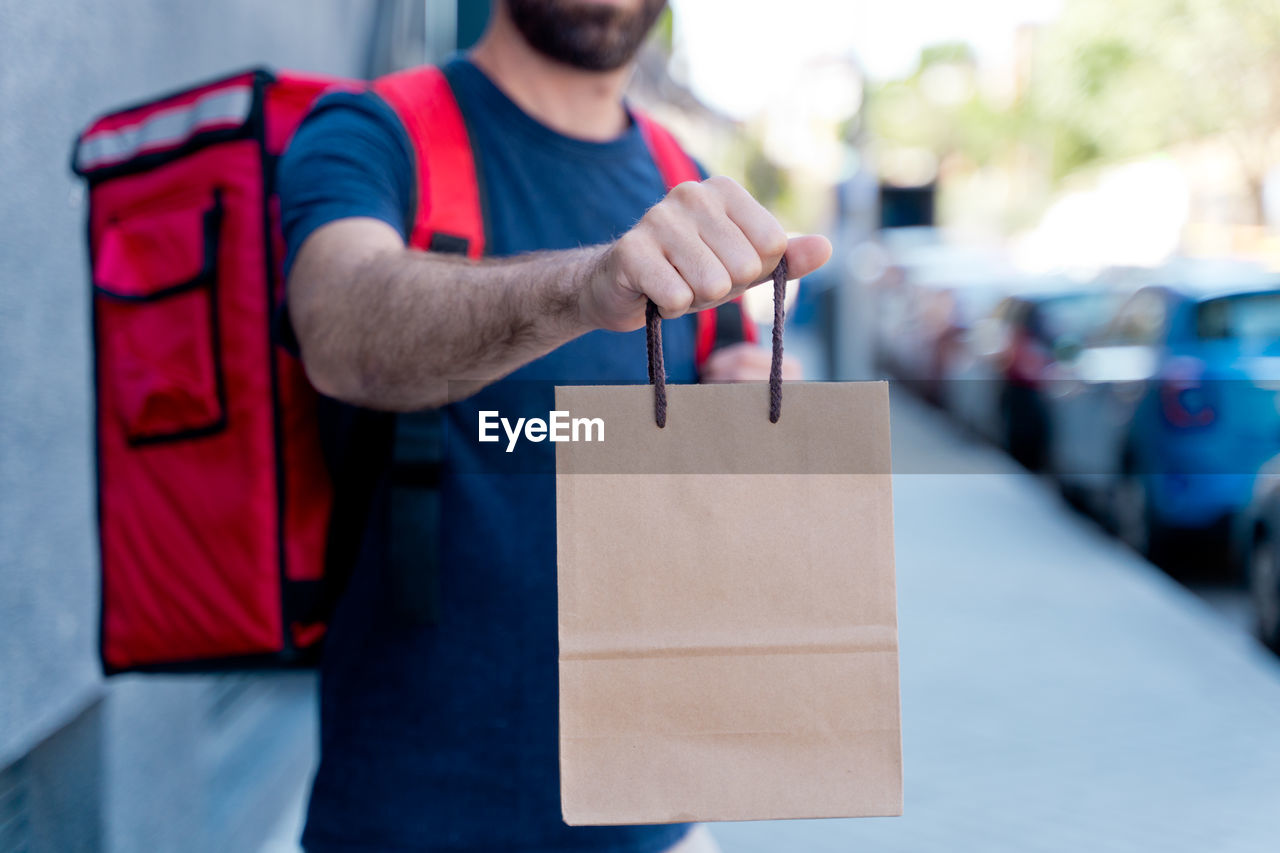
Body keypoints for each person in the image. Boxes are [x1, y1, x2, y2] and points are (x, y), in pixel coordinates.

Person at [279, 0, 831, 850]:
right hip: (411, 819)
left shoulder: (678, 171)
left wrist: (756, 396)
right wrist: (582, 288)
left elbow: (714, 431)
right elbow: (341, 326)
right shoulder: (376, 130)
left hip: (661, 820)